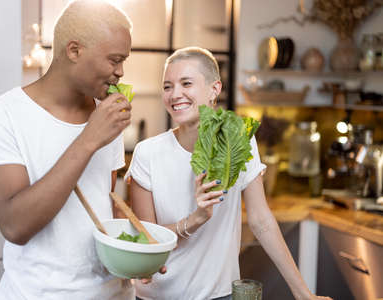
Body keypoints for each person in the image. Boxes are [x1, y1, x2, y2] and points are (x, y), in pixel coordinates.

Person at [125, 47, 332, 300]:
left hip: (220, 295)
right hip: (157, 297)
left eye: (186, 83)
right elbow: (146, 239)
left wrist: (303, 294)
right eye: (167, 86)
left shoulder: (238, 140)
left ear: (215, 89)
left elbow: (261, 221)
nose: (175, 94)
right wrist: (195, 219)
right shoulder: (147, 153)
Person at [0, 1, 136, 299]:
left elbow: (104, 207)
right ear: (74, 51)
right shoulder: (2, 114)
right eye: (114, 60)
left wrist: (135, 257)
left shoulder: (107, 116)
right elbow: (15, 226)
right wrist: (89, 139)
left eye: (124, 60)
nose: (121, 72)